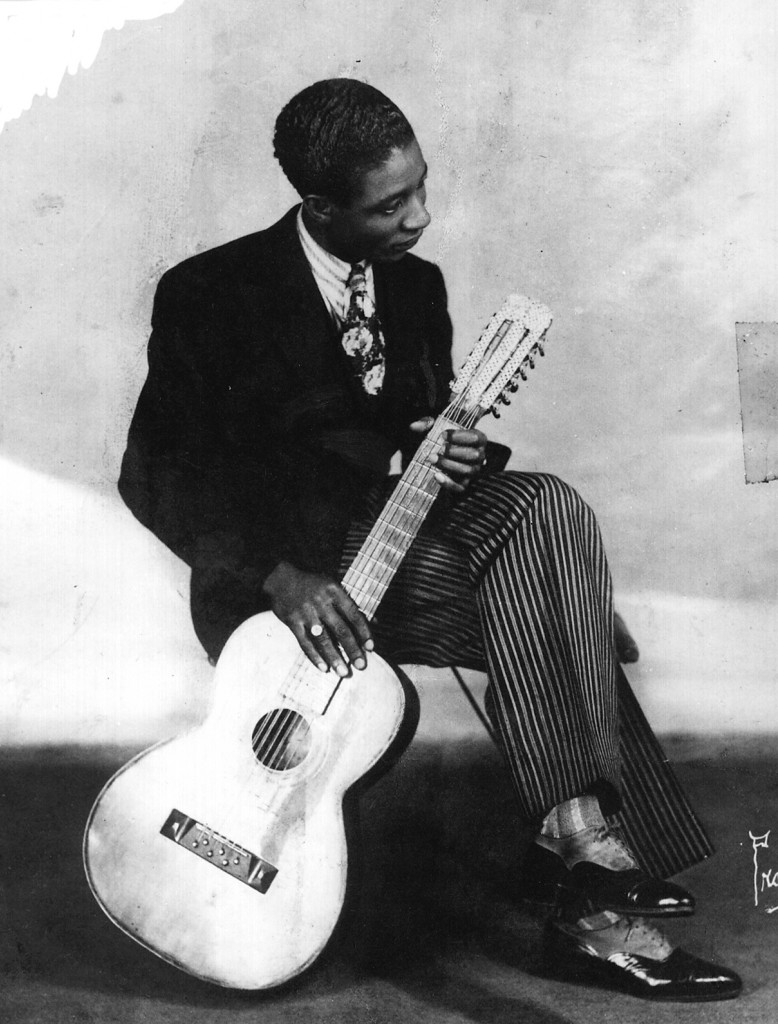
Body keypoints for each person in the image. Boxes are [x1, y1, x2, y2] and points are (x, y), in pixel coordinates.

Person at [118, 78, 740, 1002]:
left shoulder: (418, 286)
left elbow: (416, 439)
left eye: (421, 188)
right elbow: (153, 474)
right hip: (284, 591)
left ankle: (578, 850)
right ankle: (591, 899)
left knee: (547, 510)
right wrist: (279, 577)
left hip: (395, 549)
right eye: (390, 205)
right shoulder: (211, 293)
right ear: (320, 207)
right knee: (557, 609)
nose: (421, 217)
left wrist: (449, 450)